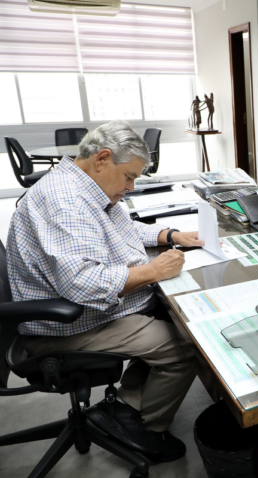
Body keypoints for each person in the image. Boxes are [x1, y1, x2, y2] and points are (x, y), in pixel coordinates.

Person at [6, 120, 204, 463]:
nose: (130, 187)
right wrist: (154, 270)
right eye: (128, 176)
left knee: (168, 315)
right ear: (102, 159)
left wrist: (168, 235)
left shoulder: (83, 185)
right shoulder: (65, 202)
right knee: (186, 346)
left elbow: (121, 230)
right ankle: (144, 428)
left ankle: (125, 406)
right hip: (63, 325)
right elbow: (83, 284)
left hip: (79, 311)